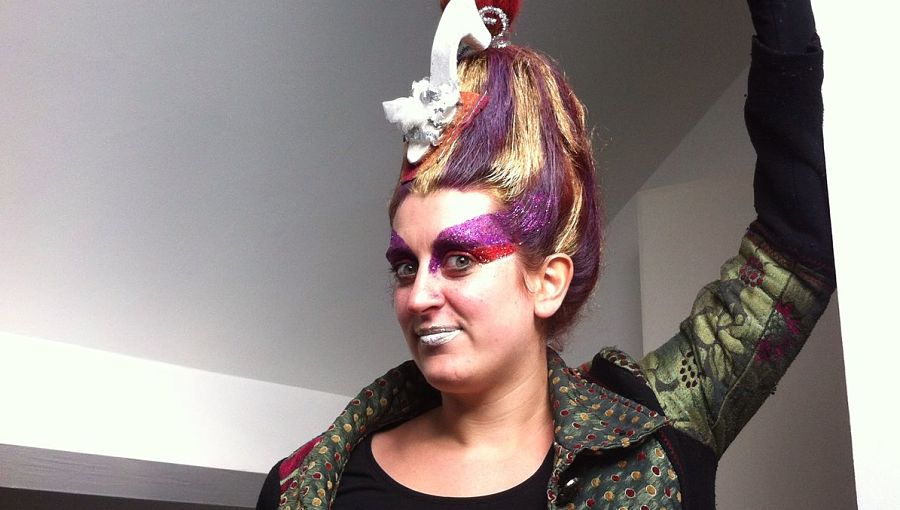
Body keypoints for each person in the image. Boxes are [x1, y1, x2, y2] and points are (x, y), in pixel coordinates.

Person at [256, 0, 835, 508]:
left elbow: (795, 251)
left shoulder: (654, 430)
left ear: (547, 281)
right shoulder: (307, 484)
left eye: (459, 259)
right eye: (406, 266)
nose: (420, 295)